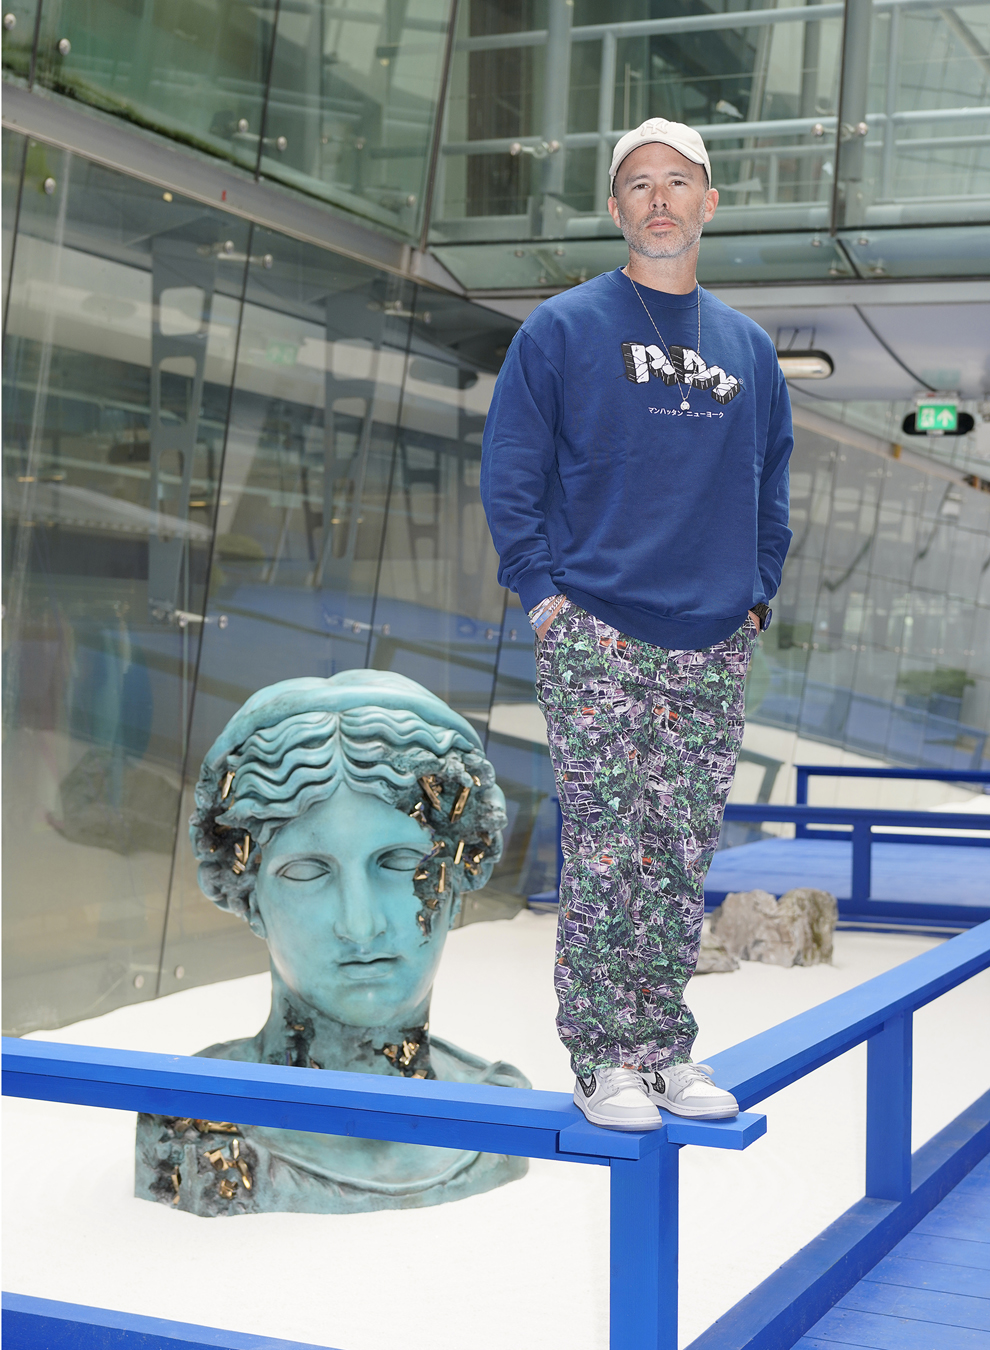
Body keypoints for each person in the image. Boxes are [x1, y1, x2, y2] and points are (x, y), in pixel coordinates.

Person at [480, 117, 793, 1132]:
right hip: (599, 630)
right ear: (616, 210)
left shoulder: (747, 348)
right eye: (638, 185)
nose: (660, 200)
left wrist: (756, 594)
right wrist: (547, 599)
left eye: (679, 182)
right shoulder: (564, 331)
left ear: (710, 203)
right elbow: (512, 475)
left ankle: (663, 1047)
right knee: (610, 848)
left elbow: (774, 479)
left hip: (712, 637)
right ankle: (603, 1056)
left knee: (681, 847)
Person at [135, 670, 529, 1213]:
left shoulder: (500, 1112)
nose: (361, 925)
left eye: (399, 863)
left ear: (459, 878)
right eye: (308, 872)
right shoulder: (197, 1131)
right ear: (247, 894)